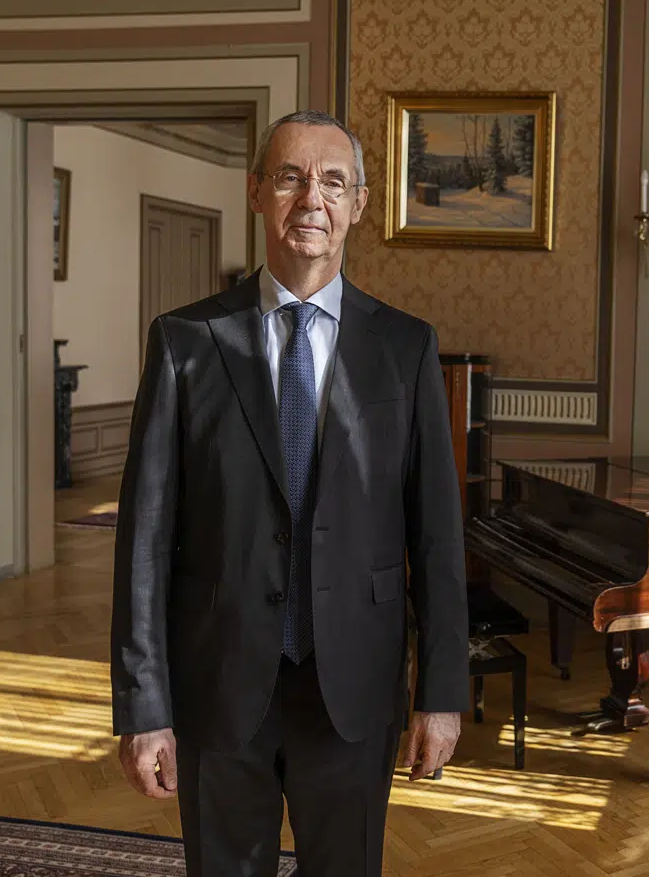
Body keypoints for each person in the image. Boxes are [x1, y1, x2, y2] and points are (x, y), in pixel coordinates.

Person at [109, 109, 469, 876]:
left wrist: (441, 693)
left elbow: (437, 536)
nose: (313, 197)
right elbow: (143, 541)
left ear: (358, 205)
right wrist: (144, 708)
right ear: (257, 193)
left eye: (333, 181)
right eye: (290, 176)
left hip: (355, 689)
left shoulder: (405, 348)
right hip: (219, 685)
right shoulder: (185, 343)